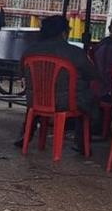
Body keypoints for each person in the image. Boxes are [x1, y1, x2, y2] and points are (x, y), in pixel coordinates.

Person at [21, 15, 100, 147]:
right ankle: (82, 142)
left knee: (39, 99)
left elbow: (22, 72)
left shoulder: (29, 51)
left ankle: (26, 132)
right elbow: (92, 74)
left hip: (35, 100)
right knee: (90, 99)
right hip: (66, 103)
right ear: (64, 33)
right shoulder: (74, 52)